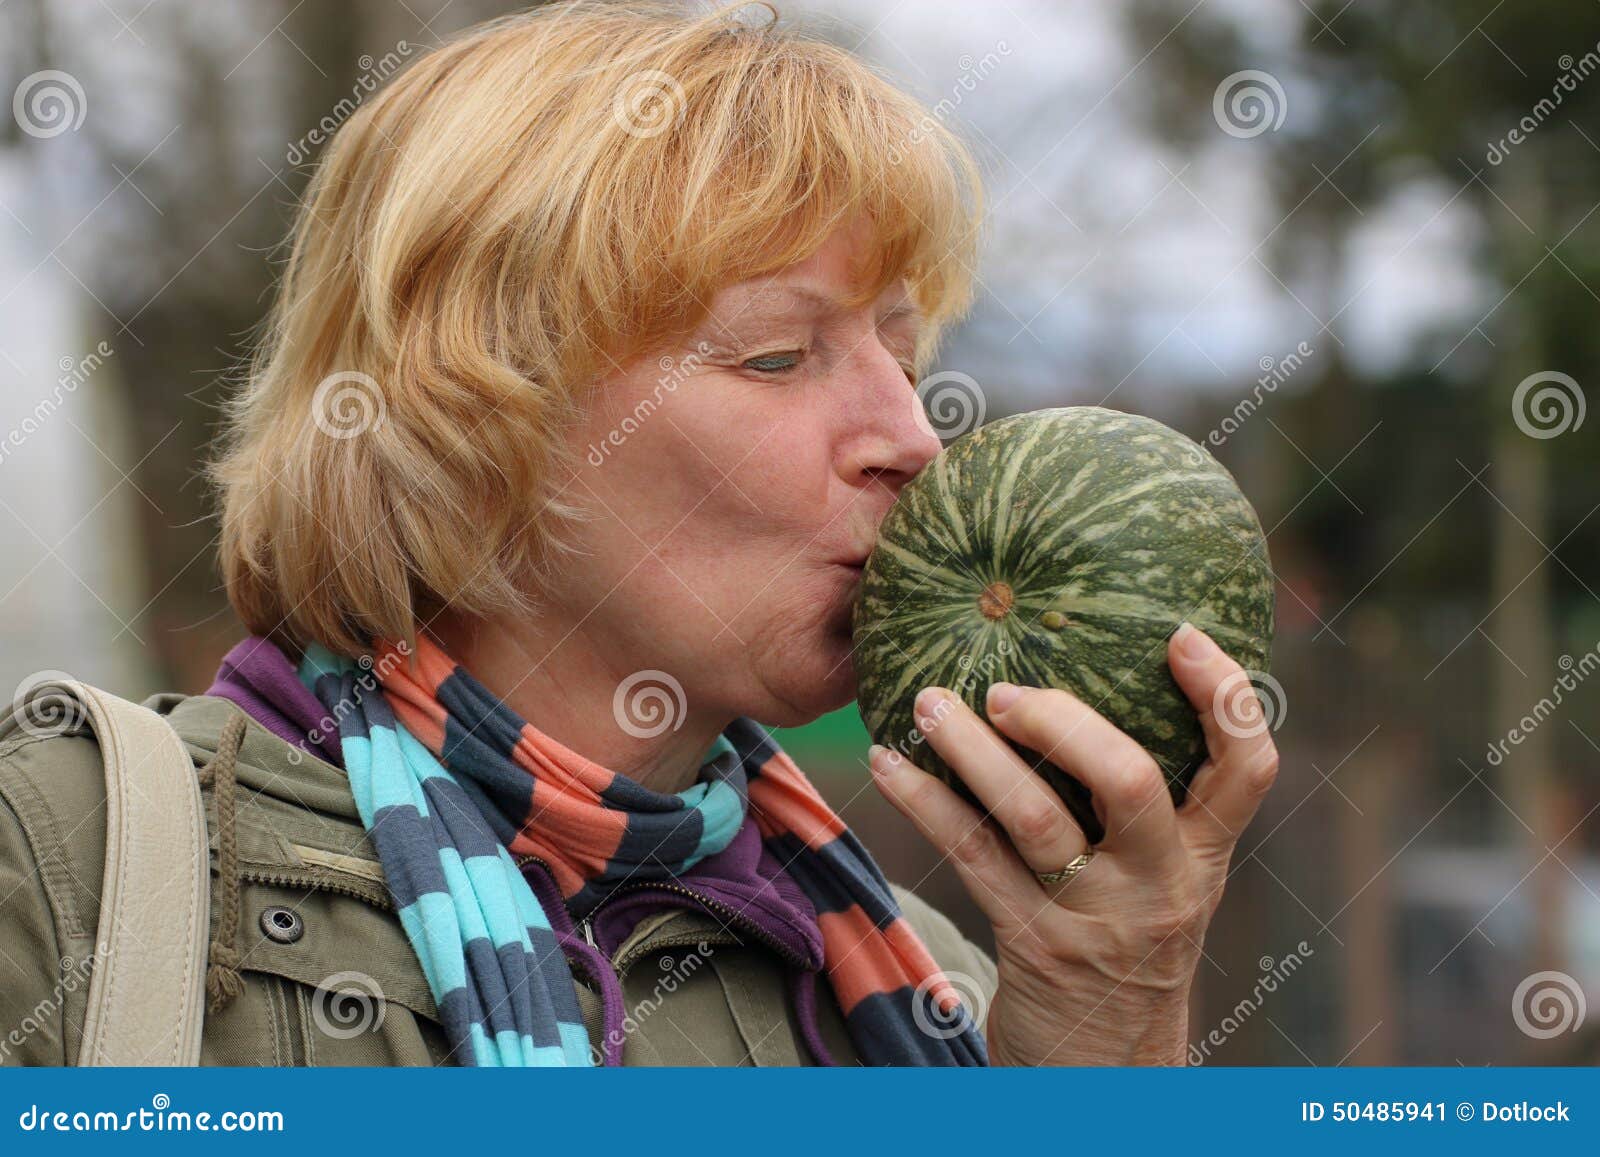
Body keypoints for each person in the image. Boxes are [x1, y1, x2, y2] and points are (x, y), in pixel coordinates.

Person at [0, 0, 1278, 1067]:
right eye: (780, 353)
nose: (914, 435)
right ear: (476, 413)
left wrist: (1110, 1037)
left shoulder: (928, 989)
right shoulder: (74, 868)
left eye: (901, 348)